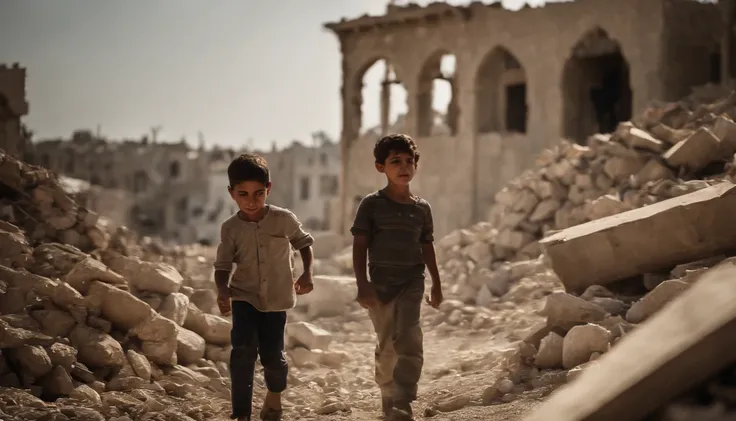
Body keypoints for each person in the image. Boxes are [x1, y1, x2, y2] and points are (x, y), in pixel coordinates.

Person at [213, 153, 315, 421]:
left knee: (273, 357)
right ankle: (242, 414)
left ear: (268, 189)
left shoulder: (283, 219)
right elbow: (222, 264)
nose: (251, 200)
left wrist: (307, 274)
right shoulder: (230, 228)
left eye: (258, 193)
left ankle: (274, 397)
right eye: (243, 194)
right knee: (242, 352)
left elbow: (304, 243)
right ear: (232, 193)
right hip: (244, 297)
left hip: (277, 300)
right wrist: (222, 289)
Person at [350, 133, 444, 420]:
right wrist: (363, 285)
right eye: (395, 162)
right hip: (380, 285)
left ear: (416, 164)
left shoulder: (422, 208)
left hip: (412, 281)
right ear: (381, 167)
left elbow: (427, 246)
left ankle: (404, 398)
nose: (404, 167)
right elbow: (360, 246)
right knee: (387, 344)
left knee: (410, 337)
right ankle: (387, 396)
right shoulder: (372, 205)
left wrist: (436, 284)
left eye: (409, 161)